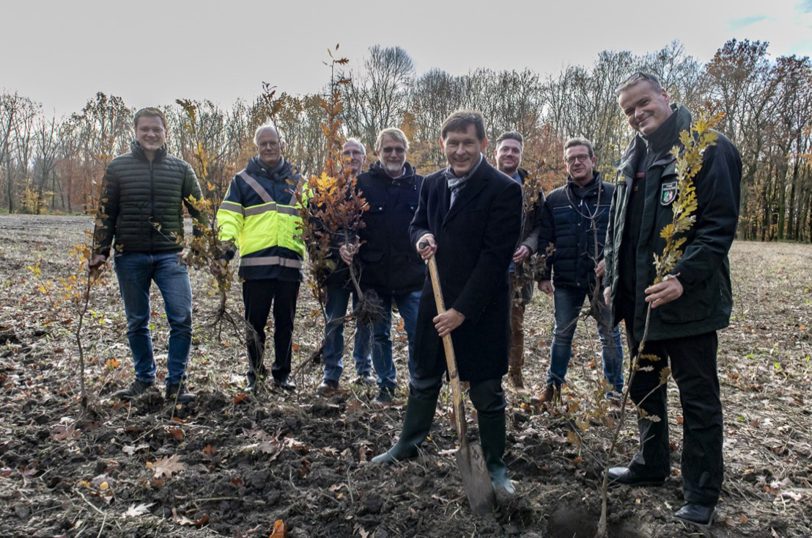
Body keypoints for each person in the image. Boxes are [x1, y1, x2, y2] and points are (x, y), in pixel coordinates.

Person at [603, 72, 741, 528]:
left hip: (687, 304)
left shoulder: (709, 149)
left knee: (698, 399)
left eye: (643, 104)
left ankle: (701, 492)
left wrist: (682, 277)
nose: (638, 115)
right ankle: (651, 463)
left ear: (665, 95)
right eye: (629, 111)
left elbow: (717, 227)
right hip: (639, 304)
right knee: (645, 389)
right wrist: (613, 278)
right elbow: (619, 225)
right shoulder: (633, 155)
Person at [372, 111, 522, 501]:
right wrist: (421, 238)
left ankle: (495, 464)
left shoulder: (503, 189)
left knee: (487, 390)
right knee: (423, 378)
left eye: (467, 143)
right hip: (434, 301)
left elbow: (495, 259)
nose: (459, 151)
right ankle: (409, 443)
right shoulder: (433, 184)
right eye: (452, 143)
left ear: (483, 145)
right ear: (442, 144)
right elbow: (417, 223)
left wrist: (462, 311)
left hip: (481, 306)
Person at [90, 107, 204, 403]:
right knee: (136, 321)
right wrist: (99, 251)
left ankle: (176, 384)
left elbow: (201, 212)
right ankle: (144, 380)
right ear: (136, 132)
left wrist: (198, 247)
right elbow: (106, 212)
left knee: (182, 319)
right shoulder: (118, 167)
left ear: (166, 132)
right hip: (130, 257)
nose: (151, 134)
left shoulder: (181, 169)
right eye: (145, 129)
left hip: (171, 258)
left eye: (157, 129)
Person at [217, 123, 306, 392]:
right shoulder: (242, 181)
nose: (269, 147)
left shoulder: (299, 181)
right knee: (254, 325)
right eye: (263, 144)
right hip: (256, 266)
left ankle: (282, 376)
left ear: (282, 144)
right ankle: (255, 375)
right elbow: (230, 217)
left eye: (273, 142)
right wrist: (225, 248)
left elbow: (313, 221)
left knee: (285, 325)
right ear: (257, 147)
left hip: (290, 265)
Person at [339, 128, 425, 403]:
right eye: (388, 149)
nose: (394, 154)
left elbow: (430, 224)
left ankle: (418, 387)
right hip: (374, 276)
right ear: (378, 152)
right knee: (380, 335)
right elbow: (348, 224)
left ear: (405, 152)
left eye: (399, 149)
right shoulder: (362, 184)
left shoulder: (421, 185)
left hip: (411, 273)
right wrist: (348, 243)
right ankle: (385, 385)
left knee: (417, 332)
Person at [536, 138, 623, 403]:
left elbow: (625, 235)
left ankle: (614, 391)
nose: (577, 162)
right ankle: (553, 388)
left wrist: (610, 260)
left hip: (603, 280)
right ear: (565, 164)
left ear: (593, 160)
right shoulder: (555, 199)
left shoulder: (614, 194)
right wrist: (542, 274)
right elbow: (546, 239)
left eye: (582, 157)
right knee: (562, 334)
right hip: (566, 279)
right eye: (571, 158)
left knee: (609, 333)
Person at [317, 138, 373, 395]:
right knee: (334, 321)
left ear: (364, 157)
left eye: (356, 153)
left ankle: (364, 371)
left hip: (366, 269)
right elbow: (318, 230)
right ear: (340, 158)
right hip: (337, 270)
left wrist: (360, 246)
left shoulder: (372, 186)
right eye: (347, 153)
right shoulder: (328, 190)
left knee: (365, 319)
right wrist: (339, 247)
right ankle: (331, 375)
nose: (351, 157)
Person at [494, 131, 543, 388]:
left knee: (515, 325)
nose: (510, 154)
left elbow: (540, 227)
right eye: (505, 149)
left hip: (519, 270)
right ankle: (482, 374)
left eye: (515, 150)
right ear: (496, 152)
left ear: (520, 154)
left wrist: (528, 245)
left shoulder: (532, 188)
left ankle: (515, 373)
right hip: (487, 269)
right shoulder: (482, 181)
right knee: (484, 322)